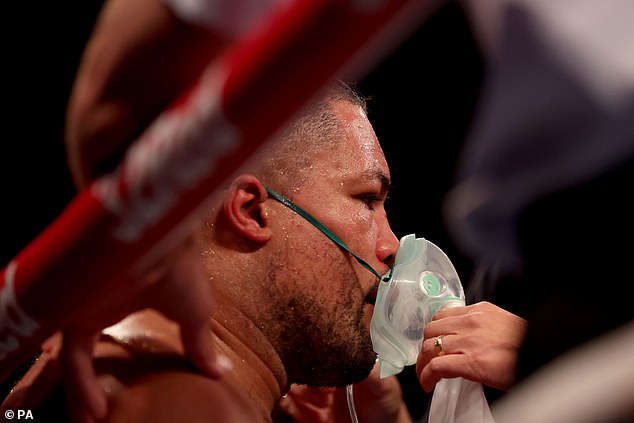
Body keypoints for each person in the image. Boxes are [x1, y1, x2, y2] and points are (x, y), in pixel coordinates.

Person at [1, 80, 412, 422]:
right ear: (252, 211)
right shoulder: (185, 401)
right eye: (367, 199)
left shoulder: (134, 367)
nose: (391, 246)